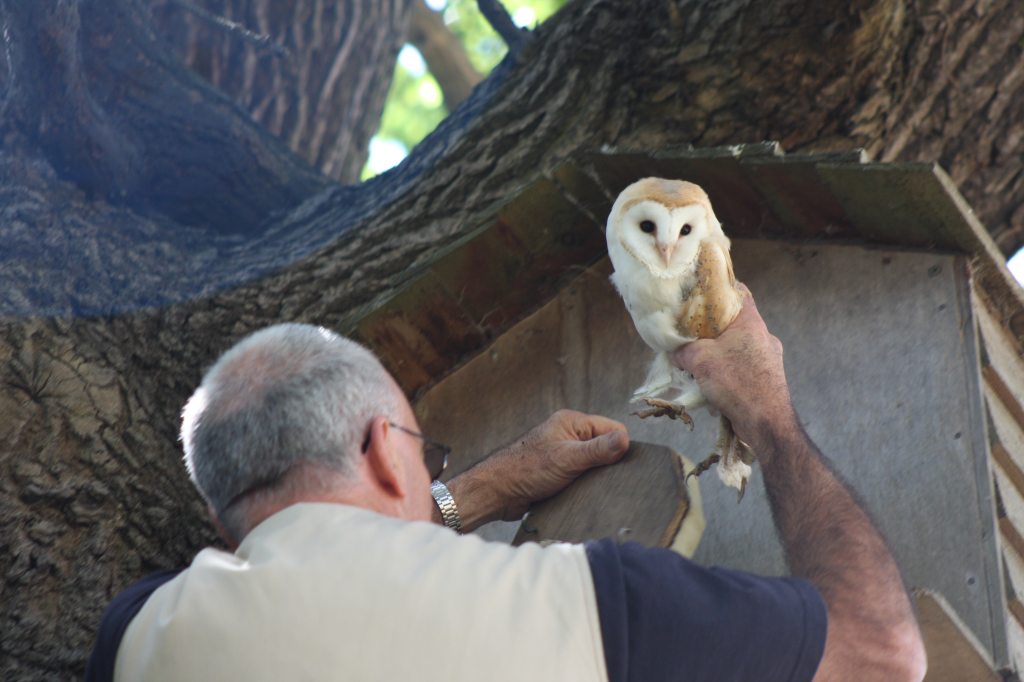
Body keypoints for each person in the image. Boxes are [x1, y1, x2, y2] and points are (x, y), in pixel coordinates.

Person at [86, 288, 926, 681]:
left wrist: (480, 490)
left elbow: (327, 582)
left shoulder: (137, 636)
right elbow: (881, 654)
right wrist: (768, 414)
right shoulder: (604, 604)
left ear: (221, 511)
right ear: (385, 450)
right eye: (427, 454)